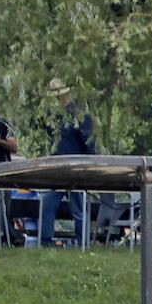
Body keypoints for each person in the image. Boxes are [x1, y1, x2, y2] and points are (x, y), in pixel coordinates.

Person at [35, 79, 94, 248]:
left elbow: (88, 141)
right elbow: (44, 131)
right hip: (57, 168)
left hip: (77, 168)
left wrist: (90, 166)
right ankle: (46, 241)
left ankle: (83, 242)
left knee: (78, 208)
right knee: (47, 204)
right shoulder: (53, 115)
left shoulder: (80, 114)